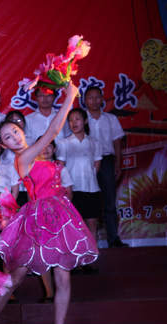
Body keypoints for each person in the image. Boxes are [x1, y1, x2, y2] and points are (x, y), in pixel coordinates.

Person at [0, 82, 98, 324]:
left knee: (64, 278)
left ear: (22, 131)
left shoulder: (39, 154)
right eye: (8, 137)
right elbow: (53, 130)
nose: (14, 137)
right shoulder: (23, 159)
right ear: (4, 145)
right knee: (15, 277)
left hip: (60, 216)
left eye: (15, 132)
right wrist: (70, 97)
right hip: (37, 219)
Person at [57, 108, 102, 274]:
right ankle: (77, 262)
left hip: (91, 189)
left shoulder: (95, 142)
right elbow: (60, 168)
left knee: (91, 225)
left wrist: (88, 177)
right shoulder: (64, 143)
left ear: (85, 121)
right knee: (75, 227)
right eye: (70, 120)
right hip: (73, 191)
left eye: (77, 119)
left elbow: (96, 165)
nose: (74, 123)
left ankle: (91, 260)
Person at [84, 86, 129, 248]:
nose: (94, 100)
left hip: (107, 162)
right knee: (89, 202)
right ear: (85, 101)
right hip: (87, 163)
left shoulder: (111, 118)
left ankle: (113, 239)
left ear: (102, 99)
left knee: (109, 201)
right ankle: (87, 242)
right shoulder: (82, 119)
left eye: (97, 97)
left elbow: (117, 142)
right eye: (90, 97)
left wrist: (118, 163)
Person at [37, 138, 74, 304]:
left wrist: (59, 210)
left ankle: (62, 291)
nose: (45, 150)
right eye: (42, 147)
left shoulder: (61, 169)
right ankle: (49, 292)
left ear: (54, 149)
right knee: (43, 253)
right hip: (40, 216)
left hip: (59, 217)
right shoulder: (33, 169)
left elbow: (69, 193)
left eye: (49, 146)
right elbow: (31, 195)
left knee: (60, 252)